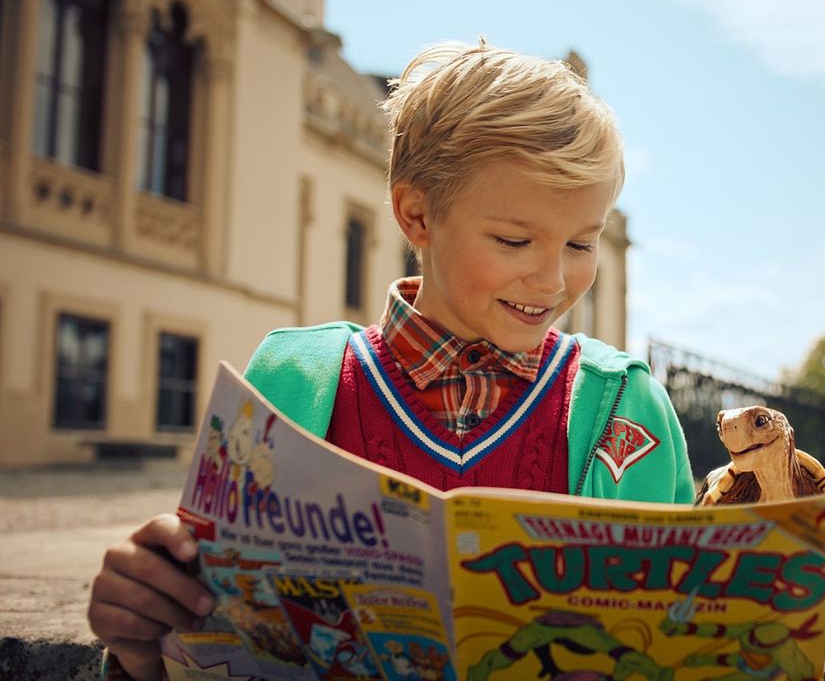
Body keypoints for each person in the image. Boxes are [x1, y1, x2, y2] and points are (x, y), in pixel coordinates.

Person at [87, 40, 696, 681]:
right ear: (417, 215)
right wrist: (137, 647)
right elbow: (209, 647)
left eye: (581, 242)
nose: (552, 279)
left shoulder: (629, 405)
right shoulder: (289, 384)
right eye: (515, 240)